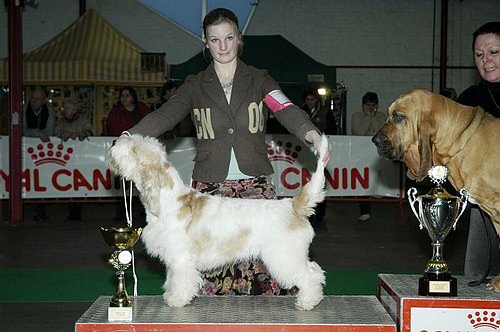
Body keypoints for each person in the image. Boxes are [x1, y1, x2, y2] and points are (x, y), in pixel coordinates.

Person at [126, 7, 330, 296]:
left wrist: (311, 134)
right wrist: (130, 137)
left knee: (265, 277)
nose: (223, 46)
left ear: (239, 39)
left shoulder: (260, 79)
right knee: (213, 284)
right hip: (209, 190)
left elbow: (285, 109)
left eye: (229, 38)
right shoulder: (195, 84)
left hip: (256, 186)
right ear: (205, 43)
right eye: (215, 40)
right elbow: (166, 115)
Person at [456, 21, 500, 286]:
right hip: (483, 204)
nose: (486, 61)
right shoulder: (468, 99)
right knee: (477, 277)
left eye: (494, 52)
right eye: (479, 55)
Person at [106, 87, 150, 222]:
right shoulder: (115, 112)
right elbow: (111, 128)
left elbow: (149, 126)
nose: (124, 98)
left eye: (127, 95)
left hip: (139, 150)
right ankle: (123, 211)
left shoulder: (142, 110)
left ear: (133, 97)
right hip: (125, 151)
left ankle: (144, 210)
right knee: (124, 183)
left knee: (143, 181)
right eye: (122, 96)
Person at [300, 88, 337, 229]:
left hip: (319, 151)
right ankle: (307, 213)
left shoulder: (326, 112)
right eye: (308, 100)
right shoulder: (300, 112)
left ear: (316, 100)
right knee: (306, 182)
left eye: (312, 99)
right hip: (304, 152)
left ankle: (319, 214)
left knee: (320, 180)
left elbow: (333, 130)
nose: (310, 102)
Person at [55, 99, 93, 221]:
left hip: (80, 157)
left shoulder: (83, 120)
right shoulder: (60, 121)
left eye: (68, 108)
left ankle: (77, 210)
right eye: (64, 108)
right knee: (68, 183)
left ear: (74, 110)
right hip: (65, 158)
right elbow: (56, 132)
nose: (65, 110)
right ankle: (71, 210)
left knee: (78, 184)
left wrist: (79, 134)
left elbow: (90, 132)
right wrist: (67, 134)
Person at [351, 92, 386, 222]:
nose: (371, 107)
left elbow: (380, 131)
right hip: (361, 154)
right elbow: (360, 132)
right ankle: (364, 210)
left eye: (373, 105)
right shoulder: (356, 116)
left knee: (377, 180)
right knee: (363, 180)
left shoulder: (382, 116)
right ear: (363, 105)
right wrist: (368, 117)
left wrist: (374, 117)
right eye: (368, 105)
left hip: (378, 155)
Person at [23, 87, 55, 223]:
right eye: (32, 98)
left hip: (43, 153)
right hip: (26, 151)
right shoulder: (24, 109)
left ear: (43, 101)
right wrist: (37, 133)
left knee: (41, 179)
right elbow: (20, 129)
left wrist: (34, 133)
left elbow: (50, 133)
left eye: (37, 99)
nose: (33, 101)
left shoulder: (50, 111)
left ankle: (40, 210)